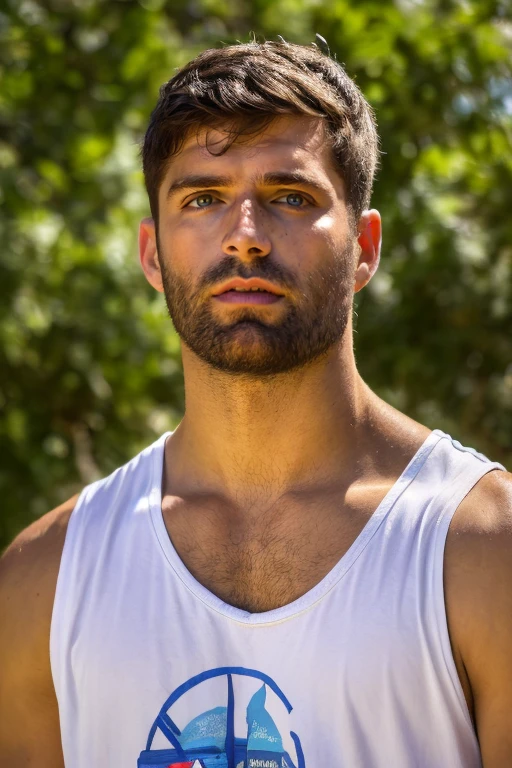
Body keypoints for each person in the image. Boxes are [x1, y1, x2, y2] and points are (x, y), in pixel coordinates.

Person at [1, 39, 511, 768]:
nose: (244, 237)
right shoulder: (42, 584)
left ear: (364, 248)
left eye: (290, 197)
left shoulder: (484, 551)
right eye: (203, 199)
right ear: (152, 253)